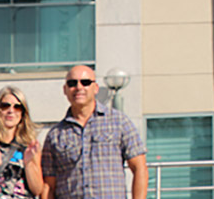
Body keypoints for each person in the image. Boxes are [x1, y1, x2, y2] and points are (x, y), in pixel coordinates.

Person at [41, 66, 148, 199]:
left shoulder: (119, 122)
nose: (79, 87)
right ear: (65, 90)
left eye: (85, 82)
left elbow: (139, 168)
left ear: (95, 88)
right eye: (72, 83)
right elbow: (49, 186)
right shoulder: (55, 135)